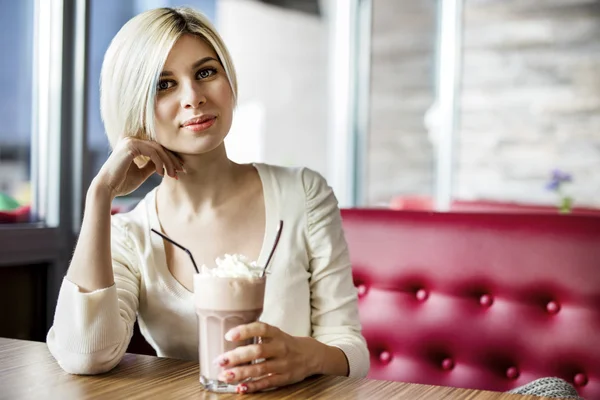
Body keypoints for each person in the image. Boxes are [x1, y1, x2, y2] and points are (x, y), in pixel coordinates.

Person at [46, 6, 370, 394]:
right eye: (163, 85)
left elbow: (351, 349)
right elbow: (86, 356)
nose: (193, 97)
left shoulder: (304, 193)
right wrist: (100, 195)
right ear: (136, 106)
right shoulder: (129, 234)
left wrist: (307, 356)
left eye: (205, 73)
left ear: (229, 80)